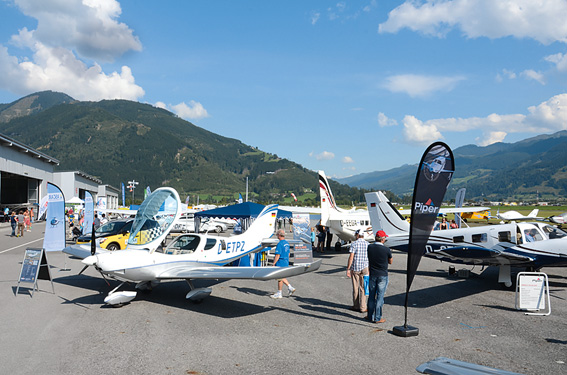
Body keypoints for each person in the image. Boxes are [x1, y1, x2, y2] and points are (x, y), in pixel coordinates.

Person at [366, 230, 392, 324]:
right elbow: (390, 261)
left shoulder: (370, 247)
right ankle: (377, 318)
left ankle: (370, 316)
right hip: (382, 274)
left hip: (373, 273)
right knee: (380, 297)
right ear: (382, 239)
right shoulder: (386, 249)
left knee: (371, 296)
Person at [346, 229, 369, 313]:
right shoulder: (368, 244)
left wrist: (348, 268)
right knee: (363, 287)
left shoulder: (354, 244)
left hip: (356, 267)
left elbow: (351, 257)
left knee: (355, 287)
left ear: (358, 235)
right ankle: (363, 307)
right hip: (365, 267)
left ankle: (356, 305)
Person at [270, 229, 296, 299]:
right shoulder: (286, 243)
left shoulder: (280, 244)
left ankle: (286, 289)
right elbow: (289, 253)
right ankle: (282, 291)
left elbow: (277, 255)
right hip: (285, 261)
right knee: (281, 278)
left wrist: (274, 263)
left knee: (279, 277)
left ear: (279, 235)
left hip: (280, 262)